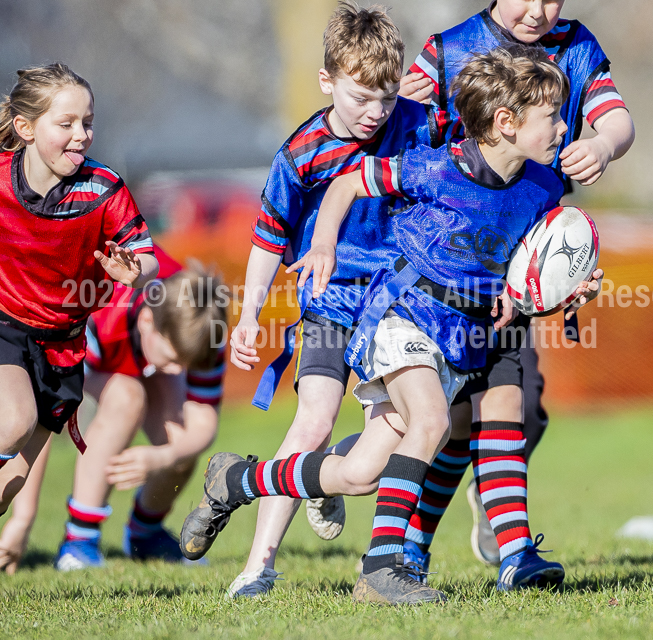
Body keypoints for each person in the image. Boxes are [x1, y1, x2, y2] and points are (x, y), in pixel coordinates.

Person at [182, 46, 602, 604]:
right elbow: (348, 184)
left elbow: (531, 267)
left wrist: (566, 290)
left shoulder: (543, 188)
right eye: (553, 115)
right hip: (400, 315)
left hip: (457, 337)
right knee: (430, 421)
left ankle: (235, 481)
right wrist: (325, 242)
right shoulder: (440, 167)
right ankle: (382, 570)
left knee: (359, 472)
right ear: (506, 123)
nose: (562, 125)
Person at [384, 0, 635, 568]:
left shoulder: (576, 46)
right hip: (444, 275)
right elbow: (397, 123)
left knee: (519, 412)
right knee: (456, 418)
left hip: (515, 263)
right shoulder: (449, 49)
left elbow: (618, 119)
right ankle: (424, 547)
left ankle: (500, 531)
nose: (541, 10)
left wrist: (602, 145)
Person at [218, 1, 443, 598]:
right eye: (360, 96)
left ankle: (324, 476)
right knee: (312, 418)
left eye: (387, 97)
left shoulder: (421, 124)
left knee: (374, 461)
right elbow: (267, 239)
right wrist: (248, 317)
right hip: (327, 304)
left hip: (398, 308)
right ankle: (259, 566)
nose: (375, 113)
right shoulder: (299, 153)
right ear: (327, 82)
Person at [0, 248, 227, 572]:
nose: (180, 372)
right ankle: (80, 540)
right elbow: (42, 416)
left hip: (135, 348)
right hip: (76, 344)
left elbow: (204, 426)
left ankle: (144, 534)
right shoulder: (101, 314)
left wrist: (164, 457)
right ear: (148, 321)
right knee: (126, 396)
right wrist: (23, 518)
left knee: (182, 442)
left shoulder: (204, 329)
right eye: (173, 359)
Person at [0, 63, 158, 521]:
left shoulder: (103, 189)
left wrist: (135, 273)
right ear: (25, 128)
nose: (81, 135)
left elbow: (145, 255)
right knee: (12, 423)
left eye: (87, 123)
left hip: (64, 348)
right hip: (7, 325)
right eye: (65, 124)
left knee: (8, 488)